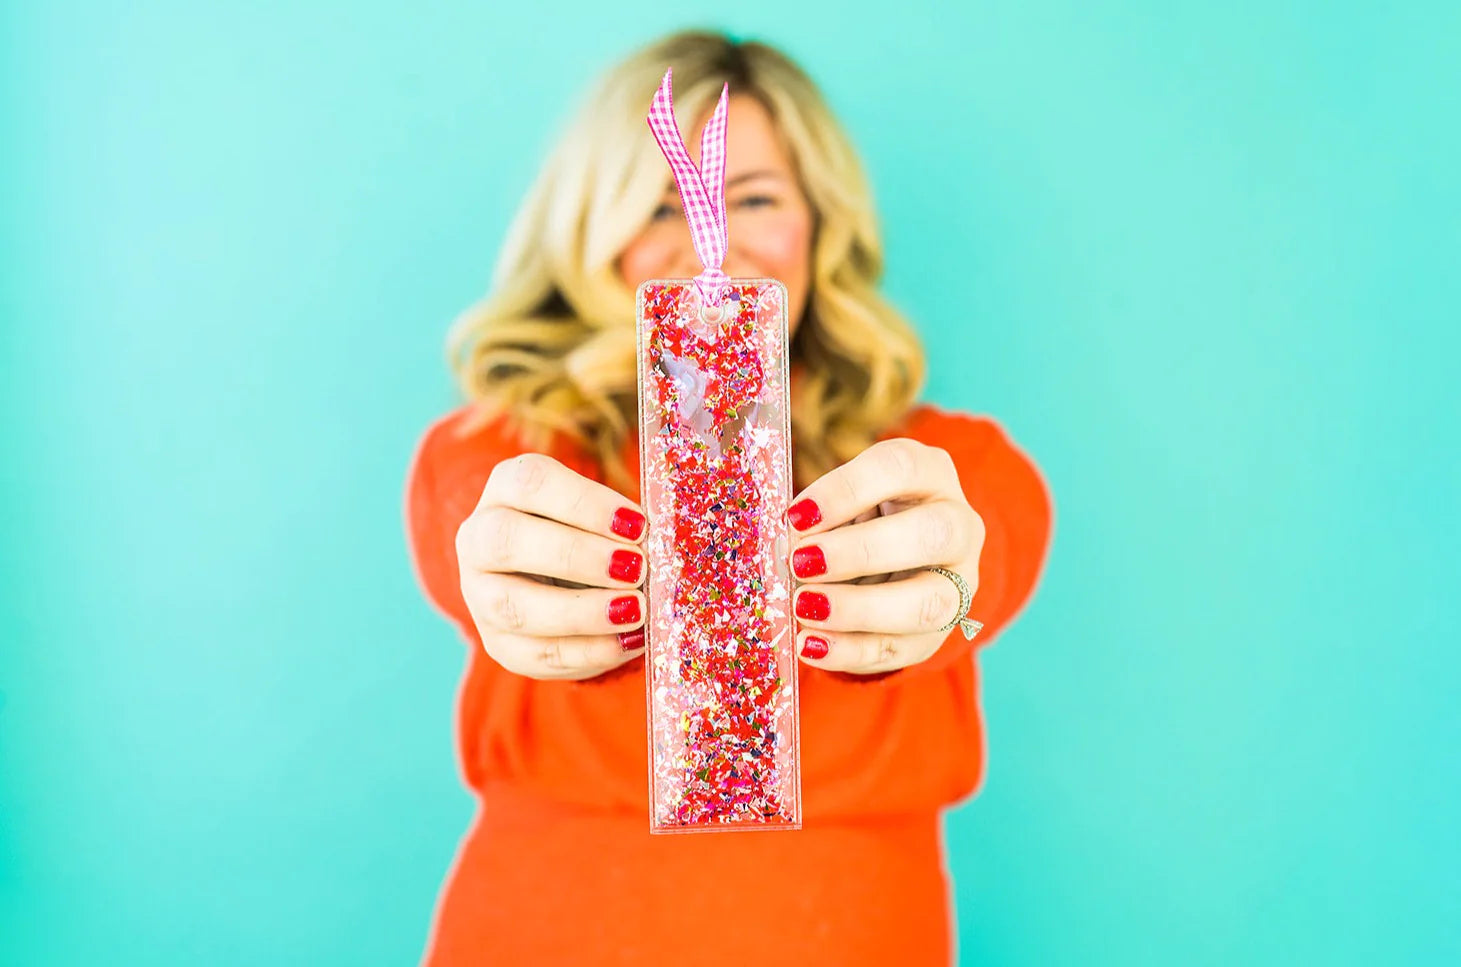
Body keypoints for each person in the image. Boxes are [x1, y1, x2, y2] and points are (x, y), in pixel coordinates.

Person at [403, 28, 1054, 967]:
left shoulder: (941, 461)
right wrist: (504, 566)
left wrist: (954, 581)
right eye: (662, 205)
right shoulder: (505, 453)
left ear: (820, 224)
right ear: (598, 236)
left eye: (753, 197)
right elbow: (461, 509)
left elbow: (996, 527)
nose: (711, 238)